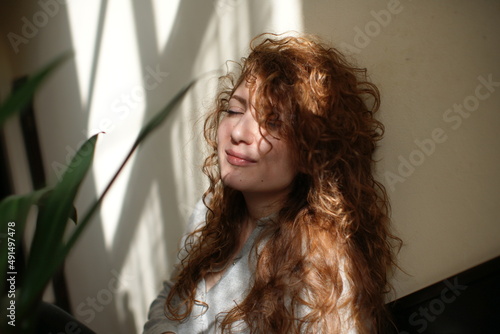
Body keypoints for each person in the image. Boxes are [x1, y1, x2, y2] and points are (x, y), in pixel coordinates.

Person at [143, 32, 401, 334]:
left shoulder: (320, 271)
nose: (238, 132)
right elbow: (169, 299)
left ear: (312, 152)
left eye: (273, 122)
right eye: (234, 110)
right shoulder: (208, 211)